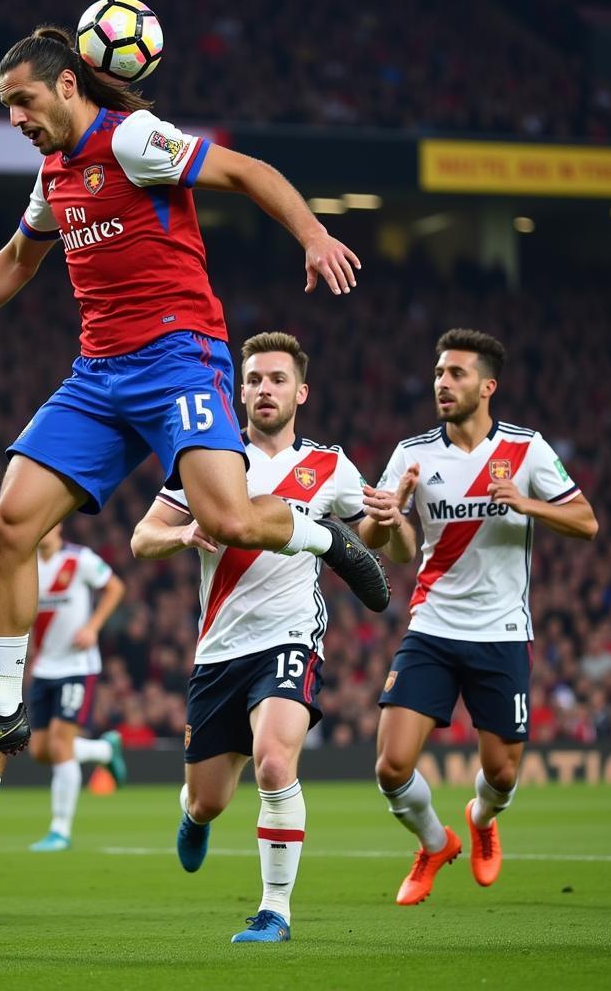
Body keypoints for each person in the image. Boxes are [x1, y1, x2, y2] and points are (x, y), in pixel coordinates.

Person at [0, 26, 388, 772]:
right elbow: (17, 260)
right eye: (6, 105)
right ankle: (4, 711)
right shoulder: (53, 174)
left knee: (229, 519)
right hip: (99, 374)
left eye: (22, 99)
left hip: (178, 357)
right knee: (8, 524)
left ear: (67, 84)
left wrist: (312, 234)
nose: (14, 117)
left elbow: (244, 170)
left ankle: (328, 539)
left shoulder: (134, 139)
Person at [130, 331, 388, 943]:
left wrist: (388, 524)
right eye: (253, 380)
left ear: (301, 391)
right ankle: (193, 815)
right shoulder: (208, 461)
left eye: (276, 379)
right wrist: (184, 534)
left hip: (291, 635)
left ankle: (275, 910)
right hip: (219, 649)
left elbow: (368, 543)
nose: (263, 389)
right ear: (236, 390)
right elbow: (142, 539)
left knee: (274, 763)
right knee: (207, 801)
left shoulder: (332, 467)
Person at [359, 328, 598, 906]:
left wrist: (526, 503)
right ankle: (433, 842)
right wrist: (389, 517)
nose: (443, 383)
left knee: (503, 775)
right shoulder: (412, 453)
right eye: (440, 373)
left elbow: (587, 522)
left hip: (502, 633)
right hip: (433, 627)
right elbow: (382, 545)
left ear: (487, 386)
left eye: (457, 374)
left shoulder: (528, 450)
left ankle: (481, 820)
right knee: (391, 767)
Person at [27, 523, 127, 851]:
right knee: (40, 750)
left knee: (60, 744)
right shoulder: (26, 566)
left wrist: (93, 627)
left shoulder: (79, 559)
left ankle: (60, 830)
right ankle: (104, 750)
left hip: (77, 667)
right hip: (44, 668)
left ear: (57, 526)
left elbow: (115, 587)